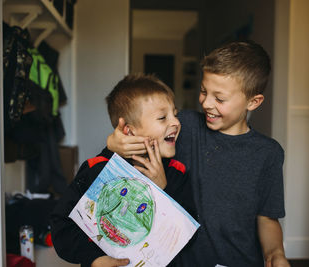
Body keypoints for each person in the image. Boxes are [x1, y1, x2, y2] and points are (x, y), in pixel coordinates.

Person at [107, 40, 290, 267]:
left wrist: (275, 254)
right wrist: (113, 143)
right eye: (204, 91)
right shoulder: (184, 126)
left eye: (219, 98)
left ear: (253, 102)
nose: (206, 103)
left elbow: (267, 217)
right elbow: (140, 133)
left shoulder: (268, 154)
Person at [50, 73, 196, 267]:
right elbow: (62, 227)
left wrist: (163, 192)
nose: (176, 122)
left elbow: (188, 237)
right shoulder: (97, 169)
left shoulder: (177, 173)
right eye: (162, 117)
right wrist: (93, 259)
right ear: (129, 130)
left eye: (175, 114)